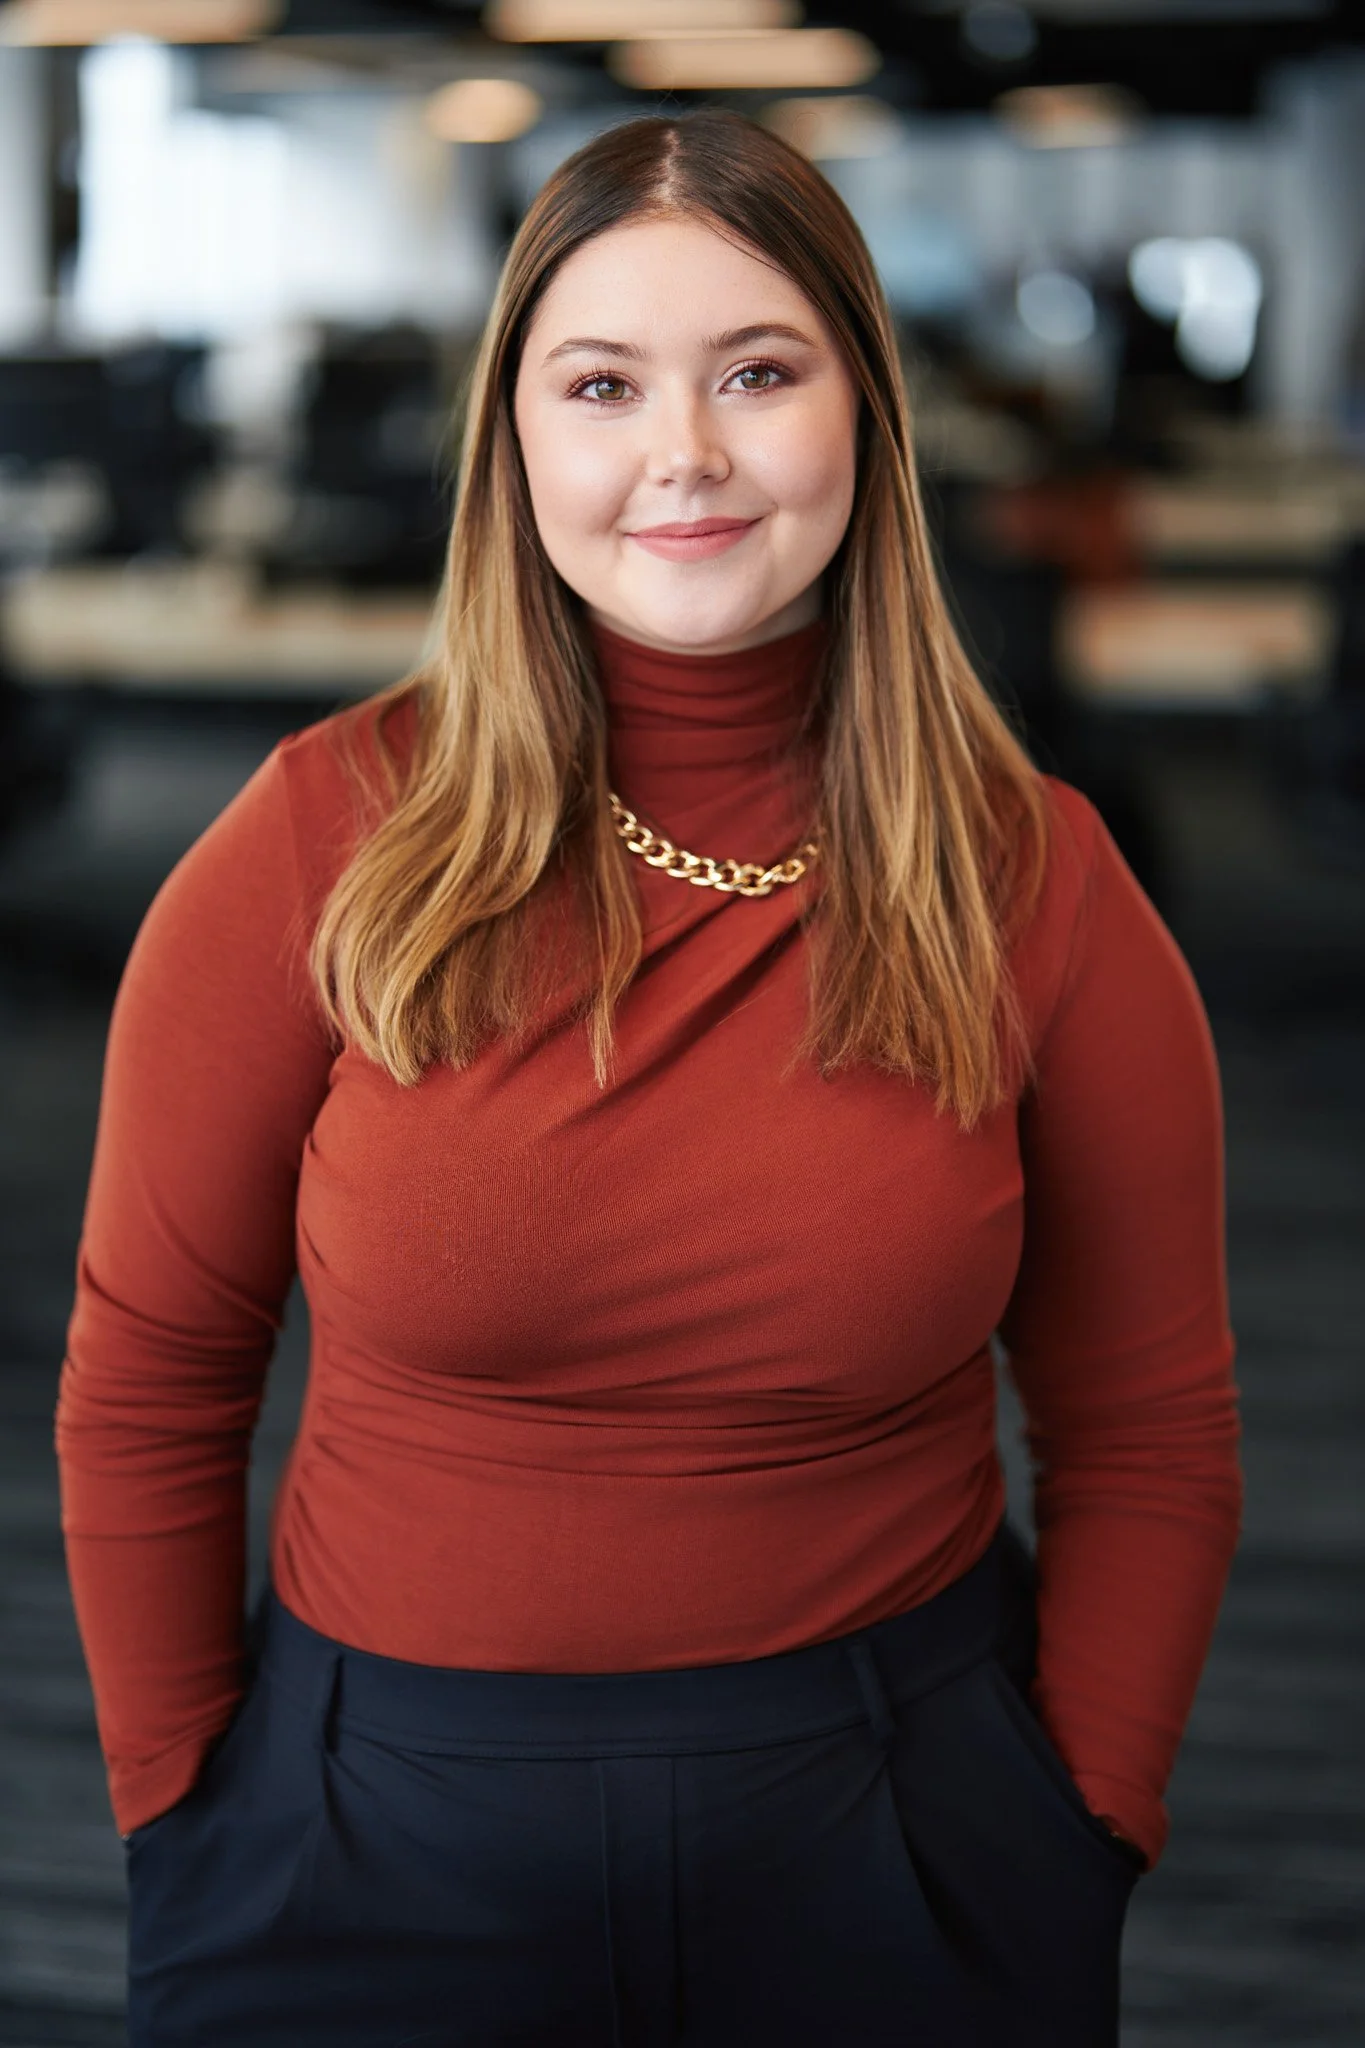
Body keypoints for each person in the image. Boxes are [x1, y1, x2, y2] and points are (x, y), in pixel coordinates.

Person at [55, 110, 1242, 2048]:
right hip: (357, 1840)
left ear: (862, 409)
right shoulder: (317, 837)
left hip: (896, 1833)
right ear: (513, 441)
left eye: (757, 375)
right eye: (600, 384)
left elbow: (1148, 1430)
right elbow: (147, 1381)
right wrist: (182, 1808)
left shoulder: (1036, 879)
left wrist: (1078, 1819)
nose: (681, 455)